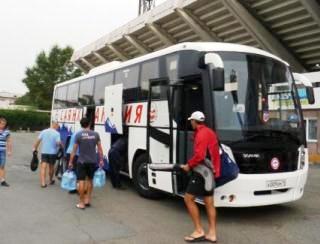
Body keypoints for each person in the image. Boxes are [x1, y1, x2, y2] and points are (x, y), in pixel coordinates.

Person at [181, 111, 221, 243]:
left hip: (202, 172)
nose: (190, 123)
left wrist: (188, 165)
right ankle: (212, 233)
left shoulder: (201, 134)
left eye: (191, 121)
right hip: (212, 172)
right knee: (209, 203)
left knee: (188, 198)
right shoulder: (209, 132)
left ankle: (199, 231)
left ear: (194, 121)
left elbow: (200, 156)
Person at [69, 118, 104, 210]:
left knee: (81, 181)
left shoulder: (78, 135)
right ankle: (87, 200)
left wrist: (70, 161)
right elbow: (100, 149)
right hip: (92, 161)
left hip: (81, 161)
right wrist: (101, 160)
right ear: (90, 123)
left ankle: (81, 203)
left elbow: (74, 150)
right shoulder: (96, 134)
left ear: (81, 125)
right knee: (90, 180)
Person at [33, 121, 62, 188]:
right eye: (58, 126)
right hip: (53, 153)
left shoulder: (43, 131)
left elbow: (38, 141)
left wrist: (35, 148)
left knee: (43, 167)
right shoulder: (57, 133)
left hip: (44, 152)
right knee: (51, 167)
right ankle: (50, 180)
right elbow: (58, 143)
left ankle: (43, 183)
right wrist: (60, 145)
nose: (58, 127)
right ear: (55, 125)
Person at [0, 117, 12, 187]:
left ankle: (2, 181)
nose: (3, 125)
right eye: (1, 123)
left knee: (2, 166)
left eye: (4, 124)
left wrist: (9, 151)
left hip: (2, 151)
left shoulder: (7, 132)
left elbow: (9, 141)